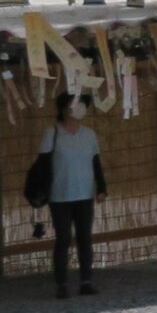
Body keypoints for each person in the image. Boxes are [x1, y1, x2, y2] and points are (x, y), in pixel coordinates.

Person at [37, 94, 104, 297]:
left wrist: (101, 187)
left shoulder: (89, 134)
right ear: (65, 109)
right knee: (63, 238)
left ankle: (86, 280)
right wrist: (42, 190)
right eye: (77, 105)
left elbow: (96, 162)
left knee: (85, 237)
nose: (81, 108)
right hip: (59, 194)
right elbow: (43, 164)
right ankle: (62, 284)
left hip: (84, 193)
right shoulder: (52, 133)